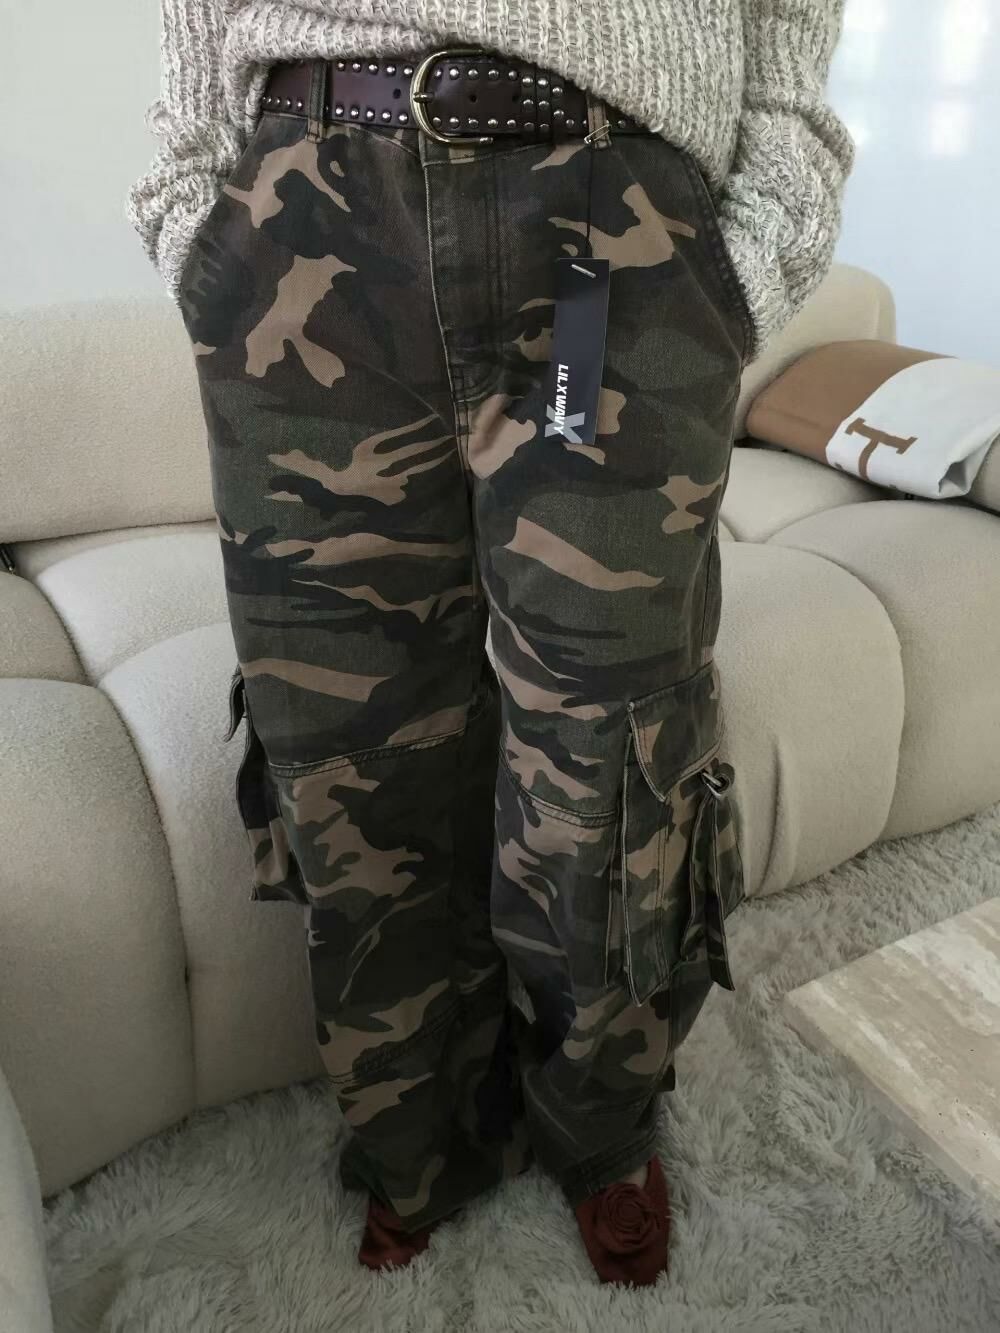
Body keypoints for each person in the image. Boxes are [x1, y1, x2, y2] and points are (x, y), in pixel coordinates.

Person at [128, 0, 852, 1288]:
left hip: (612, 237)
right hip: (308, 217)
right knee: (346, 741)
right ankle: (415, 1139)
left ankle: (600, 1125)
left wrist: (761, 240)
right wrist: (197, 211)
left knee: (610, 745)